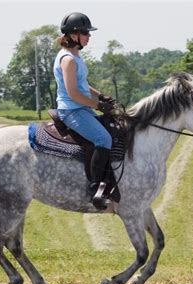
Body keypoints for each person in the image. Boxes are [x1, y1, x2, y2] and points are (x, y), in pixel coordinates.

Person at [53, 12, 115, 210]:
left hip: (81, 108)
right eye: (86, 33)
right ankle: (96, 189)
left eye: (88, 33)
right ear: (73, 35)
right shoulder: (68, 60)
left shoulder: (76, 55)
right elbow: (72, 93)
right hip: (71, 110)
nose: (89, 36)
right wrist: (96, 105)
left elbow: (82, 84)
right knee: (103, 139)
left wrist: (101, 95)